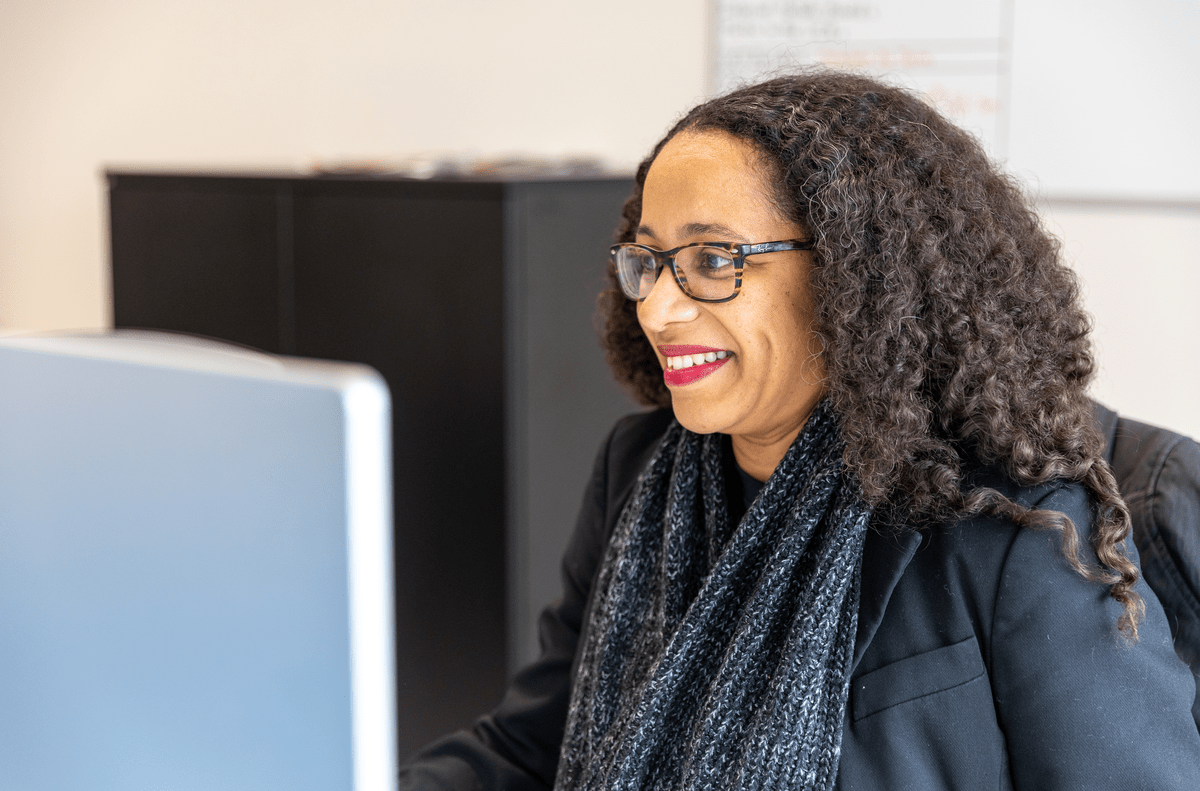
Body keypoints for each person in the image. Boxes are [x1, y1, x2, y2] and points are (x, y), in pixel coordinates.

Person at [399, 70, 1200, 790]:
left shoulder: (1021, 524)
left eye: (715, 261)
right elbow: (530, 748)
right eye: (647, 261)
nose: (660, 308)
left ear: (858, 279)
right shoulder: (640, 472)